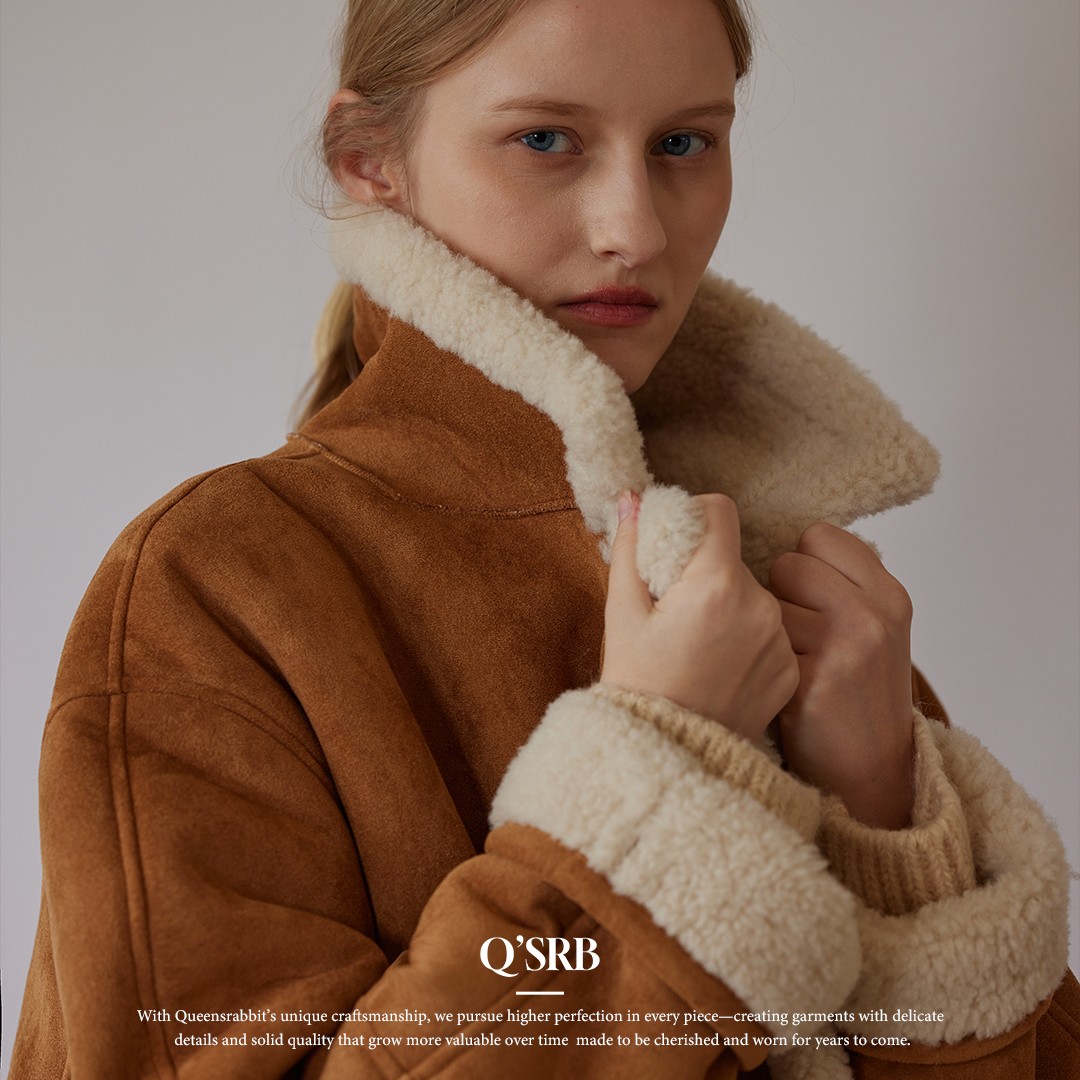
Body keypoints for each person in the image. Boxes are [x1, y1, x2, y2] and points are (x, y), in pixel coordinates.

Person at [10, 0, 1078, 1076]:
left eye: (682, 144)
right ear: (371, 161)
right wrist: (660, 769)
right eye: (545, 139)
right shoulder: (213, 585)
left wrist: (886, 819)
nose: (637, 232)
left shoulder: (773, 579)